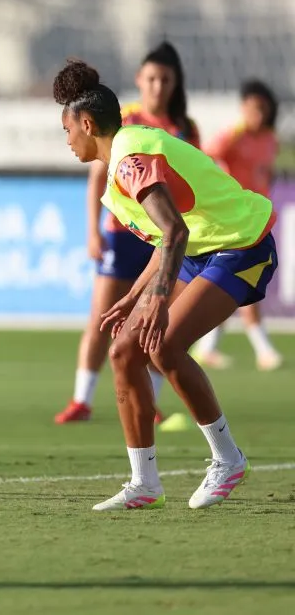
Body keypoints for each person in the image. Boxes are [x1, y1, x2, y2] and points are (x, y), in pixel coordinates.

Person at [53, 59, 275, 511]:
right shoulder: (123, 160)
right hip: (200, 250)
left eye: (67, 129)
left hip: (242, 246)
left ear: (88, 123)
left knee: (165, 345)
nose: (67, 138)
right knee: (124, 350)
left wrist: (155, 302)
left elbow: (175, 231)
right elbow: (166, 240)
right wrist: (135, 297)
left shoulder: (130, 161)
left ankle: (228, 459)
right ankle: (144, 482)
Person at [56, 42, 199, 424]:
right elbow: (97, 178)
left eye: (165, 79)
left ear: (174, 83)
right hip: (125, 232)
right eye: (151, 78)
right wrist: (93, 231)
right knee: (104, 319)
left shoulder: (183, 127)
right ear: (140, 80)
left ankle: (148, 403)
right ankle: (82, 399)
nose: (158, 86)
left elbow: (191, 185)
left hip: (168, 235)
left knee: (156, 324)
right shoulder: (122, 122)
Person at [192, 79, 282, 371]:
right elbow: (203, 158)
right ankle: (264, 350)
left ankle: (206, 347)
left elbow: (265, 174)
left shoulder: (270, 139)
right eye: (253, 108)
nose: (257, 114)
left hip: (258, 219)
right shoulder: (232, 136)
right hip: (234, 221)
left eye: (262, 109)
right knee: (244, 277)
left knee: (232, 283)